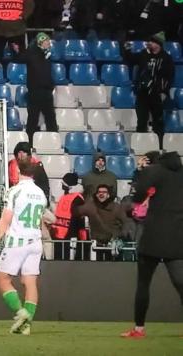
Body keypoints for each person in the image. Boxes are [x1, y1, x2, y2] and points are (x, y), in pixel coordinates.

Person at [122, 151, 183, 338]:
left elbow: (138, 197)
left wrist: (141, 173)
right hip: (177, 235)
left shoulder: (153, 171)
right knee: (181, 283)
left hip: (153, 235)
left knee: (143, 284)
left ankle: (139, 329)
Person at [0, 159, 47, 336]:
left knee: (2, 279)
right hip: (35, 242)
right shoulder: (40, 193)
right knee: (30, 282)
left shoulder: (14, 191)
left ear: (18, 171)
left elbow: (6, 219)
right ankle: (26, 326)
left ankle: (21, 313)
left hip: (17, 242)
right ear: (34, 173)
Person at [123, 32, 174, 149]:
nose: (149, 43)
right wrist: (127, 50)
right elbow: (130, 60)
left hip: (157, 94)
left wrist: (164, 92)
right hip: (143, 93)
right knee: (141, 121)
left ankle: (159, 147)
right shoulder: (143, 54)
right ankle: (141, 146)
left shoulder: (166, 58)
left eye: (152, 41)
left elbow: (169, 76)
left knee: (158, 123)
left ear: (158, 44)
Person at [75, 184, 132, 261]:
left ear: (108, 195)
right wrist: (75, 198)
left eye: (104, 192)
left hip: (114, 246)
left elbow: (127, 222)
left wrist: (120, 236)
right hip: (97, 246)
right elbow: (76, 211)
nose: (101, 194)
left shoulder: (116, 207)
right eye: (99, 192)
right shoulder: (91, 206)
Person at [20, 32, 57, 143]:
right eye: (46, 41)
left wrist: (51, 85)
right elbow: (22, 57)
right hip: (35, 91)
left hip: (47, 91)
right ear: (41, 42)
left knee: (51, 119)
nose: (49, 43)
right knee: (33, 118)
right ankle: (29, 143)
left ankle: (54, 141)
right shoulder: (31, 53)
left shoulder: (48, 55)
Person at [51, 172, 88, 260]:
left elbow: (79, 221)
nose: (62, 185)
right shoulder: (64, 197)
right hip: (59, 235)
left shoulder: (78, 199)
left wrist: (80, 238)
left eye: (63, 183)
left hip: (70, 237)